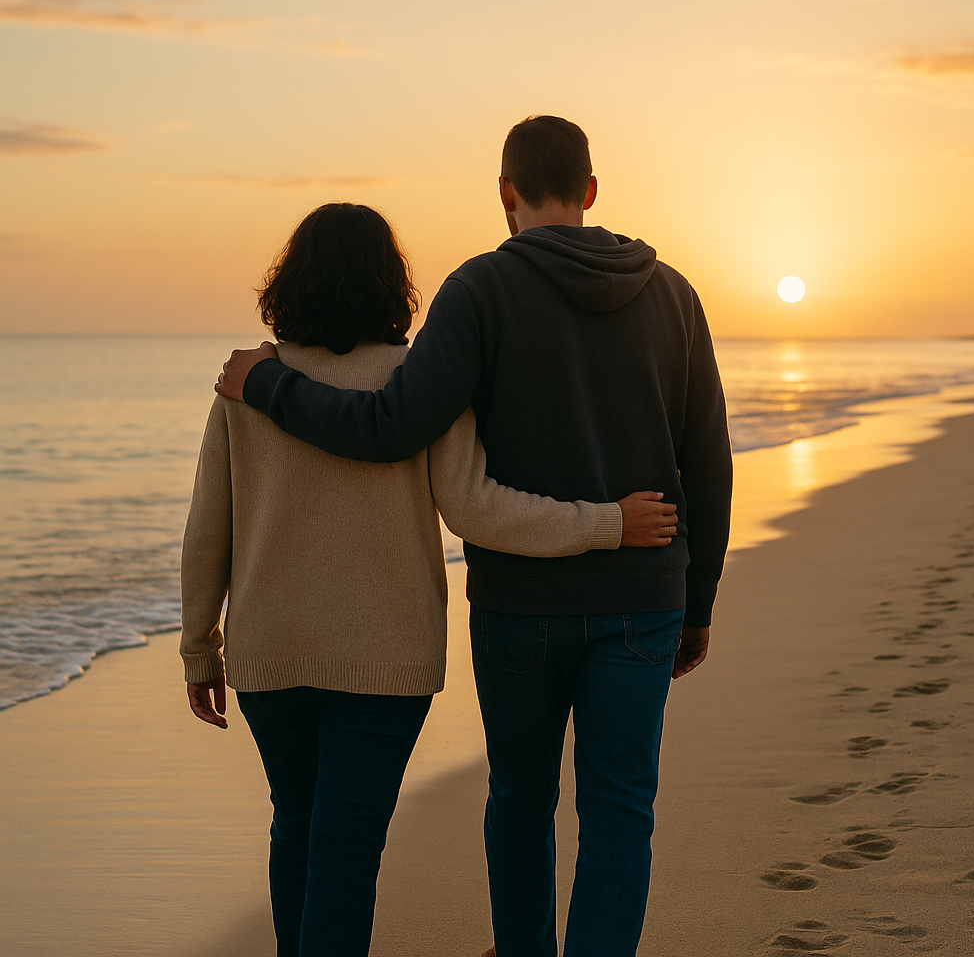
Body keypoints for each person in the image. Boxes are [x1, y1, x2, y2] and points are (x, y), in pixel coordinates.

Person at [215, 117, 733, 957]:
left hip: (521, 603)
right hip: (644, 597)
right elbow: (708, 458)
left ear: (505, 194)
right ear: (592, 190)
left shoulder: (481, 291)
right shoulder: (673, 292)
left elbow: (390, 424)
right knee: (619, 810)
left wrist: (268, 383)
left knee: (521, 800)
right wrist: (698, 599)